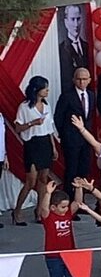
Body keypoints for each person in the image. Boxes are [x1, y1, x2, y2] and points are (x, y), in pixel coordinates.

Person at [12, 76, 57, 225]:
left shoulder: (47, 105)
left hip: (45, 143)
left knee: (43, 179)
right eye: (45, 88)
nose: (47, 91)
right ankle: (17, 211)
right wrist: (33, 123)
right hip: (32, 143)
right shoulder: (24, 107)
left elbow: (49, 129)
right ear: (37, 89)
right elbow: (18, 128)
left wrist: (54, 148)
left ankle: (39, 211)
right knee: (30, 181)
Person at [54, 69, 97, 193]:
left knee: (84, 168)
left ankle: (80, 197)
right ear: (74, 80)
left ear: (89, 80)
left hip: (86, 138)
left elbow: (89, 117)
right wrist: (64, 135)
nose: (82, 82)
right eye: (79, 79)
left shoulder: (91, 95)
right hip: (71, 139)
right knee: (71, 169)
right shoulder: (67, 96)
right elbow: (58, 117)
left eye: (84, 79)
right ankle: (69, 197)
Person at [58, 5, 90, 81]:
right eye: (72, 19)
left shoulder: (87, 46)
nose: (76, 24)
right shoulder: (61, 49)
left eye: (78, 19)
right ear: (66, 22)